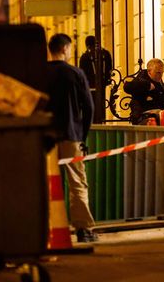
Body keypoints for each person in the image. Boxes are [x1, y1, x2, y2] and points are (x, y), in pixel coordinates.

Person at [46, 33, 98, 243]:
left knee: (45, 183)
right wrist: (82, 135)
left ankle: (46, 228)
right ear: (66, 49)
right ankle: (83, 230)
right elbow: (89, 107)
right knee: (77, 183)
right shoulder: (75, 73)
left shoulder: (39, 73)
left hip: (45, 137)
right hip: (71, 135)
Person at [123, 58, 164, 125]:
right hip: (143, 117)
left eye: (162, 72)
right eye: (158, 73)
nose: (160, 76)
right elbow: (127, 87)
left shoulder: (159, 83)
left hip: (160, 115)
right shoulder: (141, 80)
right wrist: (148, 86)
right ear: (149, 71)